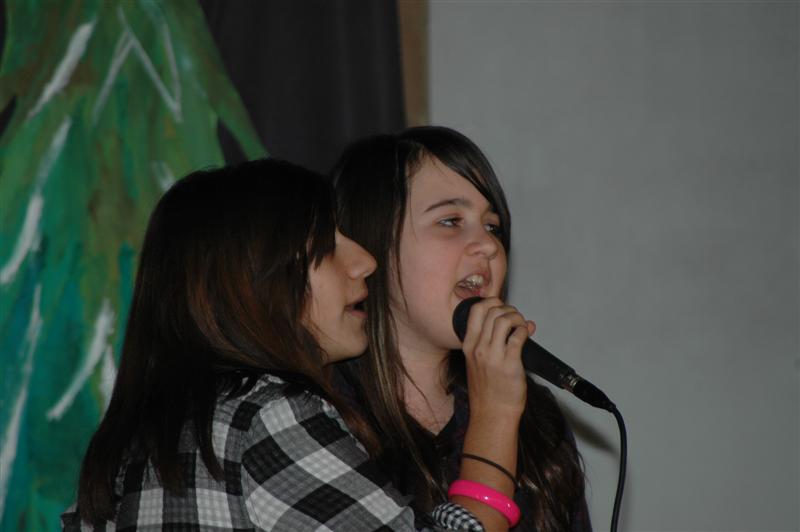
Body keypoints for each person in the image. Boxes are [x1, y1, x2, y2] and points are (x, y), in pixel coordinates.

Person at [62, 158, 528, 531]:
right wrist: (496, 412)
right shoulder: (266, 415)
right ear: (254, 282)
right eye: (327, 245)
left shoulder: (133, 442)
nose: (365, 262)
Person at [332, 126, 592, 531]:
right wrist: (495, 415)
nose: (488, 245)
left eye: (492, 227)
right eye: (450, 221)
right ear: (370, 246)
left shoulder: (537, 420)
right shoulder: (320, 415)